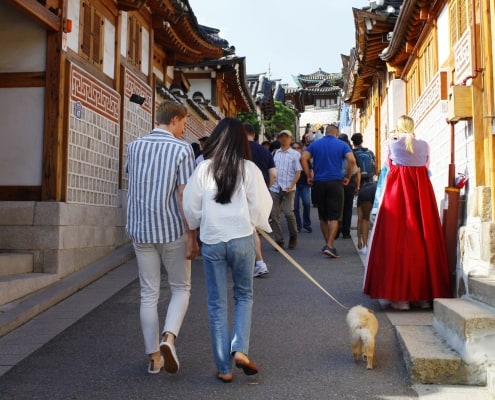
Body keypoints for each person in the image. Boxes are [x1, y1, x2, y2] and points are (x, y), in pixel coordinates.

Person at [183, 118, 272, 383]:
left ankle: (224, 368)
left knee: (216, 304)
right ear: (242, 141)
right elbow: (261, 205)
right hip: (242, 238)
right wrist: (256, 222)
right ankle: (240, 350)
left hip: (212, 239)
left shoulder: (203, 169)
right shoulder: (249, 169)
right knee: (244, 296)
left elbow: (191, 207)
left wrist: (196, 228)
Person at [125, 100, 199, 375]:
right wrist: (191, 233)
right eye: (183, 123)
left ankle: (153, 358)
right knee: (180, 287)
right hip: (171, 230)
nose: (184, 129)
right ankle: (168, 337)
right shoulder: (182, 149)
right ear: (176, 120)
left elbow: (131, 182)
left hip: (140, 229)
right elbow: (183, 194)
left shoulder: (134, 147)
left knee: (148, 292)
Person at [363, 115, 452, 310]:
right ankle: (423, 297)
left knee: (396, 240)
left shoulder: (391, 145)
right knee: (424, 238)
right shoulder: (425, 145)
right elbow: (426, 167)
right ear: (413, 126)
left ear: (398, 127)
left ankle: (400, 298)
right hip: (421, 194)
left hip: (398, 193)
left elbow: (388, 167)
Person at [301, 123, 356, 258]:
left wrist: (309, 176)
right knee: (335, 216)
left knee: (323, 216)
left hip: (319, 182)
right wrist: (348, 177)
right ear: (336, 133)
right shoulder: (342, 145)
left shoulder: (316, 144)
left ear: (325, 133)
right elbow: (352, 160)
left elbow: (303, 158)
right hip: (335, 182)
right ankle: (330, 246)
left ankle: (328, 245)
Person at [244, 123, 277, 277]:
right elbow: (274, 174)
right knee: (254, 228)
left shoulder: (238, 150)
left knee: (249, 229)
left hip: (242, 194)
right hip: (261, 193)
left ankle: (258, 262)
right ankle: (258, 262)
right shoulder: (264, 151)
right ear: (254, 135)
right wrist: (265, 189)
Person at [269, 129, 301, 249]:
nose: (283, 139)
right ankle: (279, 240)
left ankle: (293, 235)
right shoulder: (274, 153)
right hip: (275, 187)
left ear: (290, 139)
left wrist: (292, 185)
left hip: (289, 187)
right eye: (281, 136)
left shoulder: (295, 154)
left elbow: (298, 172)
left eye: (286, 137)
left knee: (288, 213)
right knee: (274, 214)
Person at [338, 133, 359, 239]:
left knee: (338, 206)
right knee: (348, 208)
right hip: (350, 182)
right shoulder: (352, 153)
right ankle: (346, 231)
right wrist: (357, 185)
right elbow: (357, 170)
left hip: (337, 182)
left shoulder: (336, 151)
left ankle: (337, 228)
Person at [292, 141, 312, 233]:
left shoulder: (304, 158)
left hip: (304, 184)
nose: (296, 150)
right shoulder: (290, 159)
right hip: (293, 185)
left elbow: (311, 169)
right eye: (294, 148)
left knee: (307, 204)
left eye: (298, 148)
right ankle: (298, 225)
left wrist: (311, 177)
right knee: (295, 207)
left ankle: (306, 224)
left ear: (301, 148)